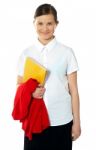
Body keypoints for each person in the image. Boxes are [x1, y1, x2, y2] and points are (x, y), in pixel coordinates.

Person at [17, 3, 81, 150]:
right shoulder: (26, 54)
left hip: (62, 121)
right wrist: (31, 92)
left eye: (49, 23)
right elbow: (19, 86)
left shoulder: (67, 53)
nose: (44, 28)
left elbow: (74, 91)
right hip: (34, 121)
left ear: (56, 24)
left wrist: (76, 123)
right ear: (34, 23)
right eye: (40, 23)